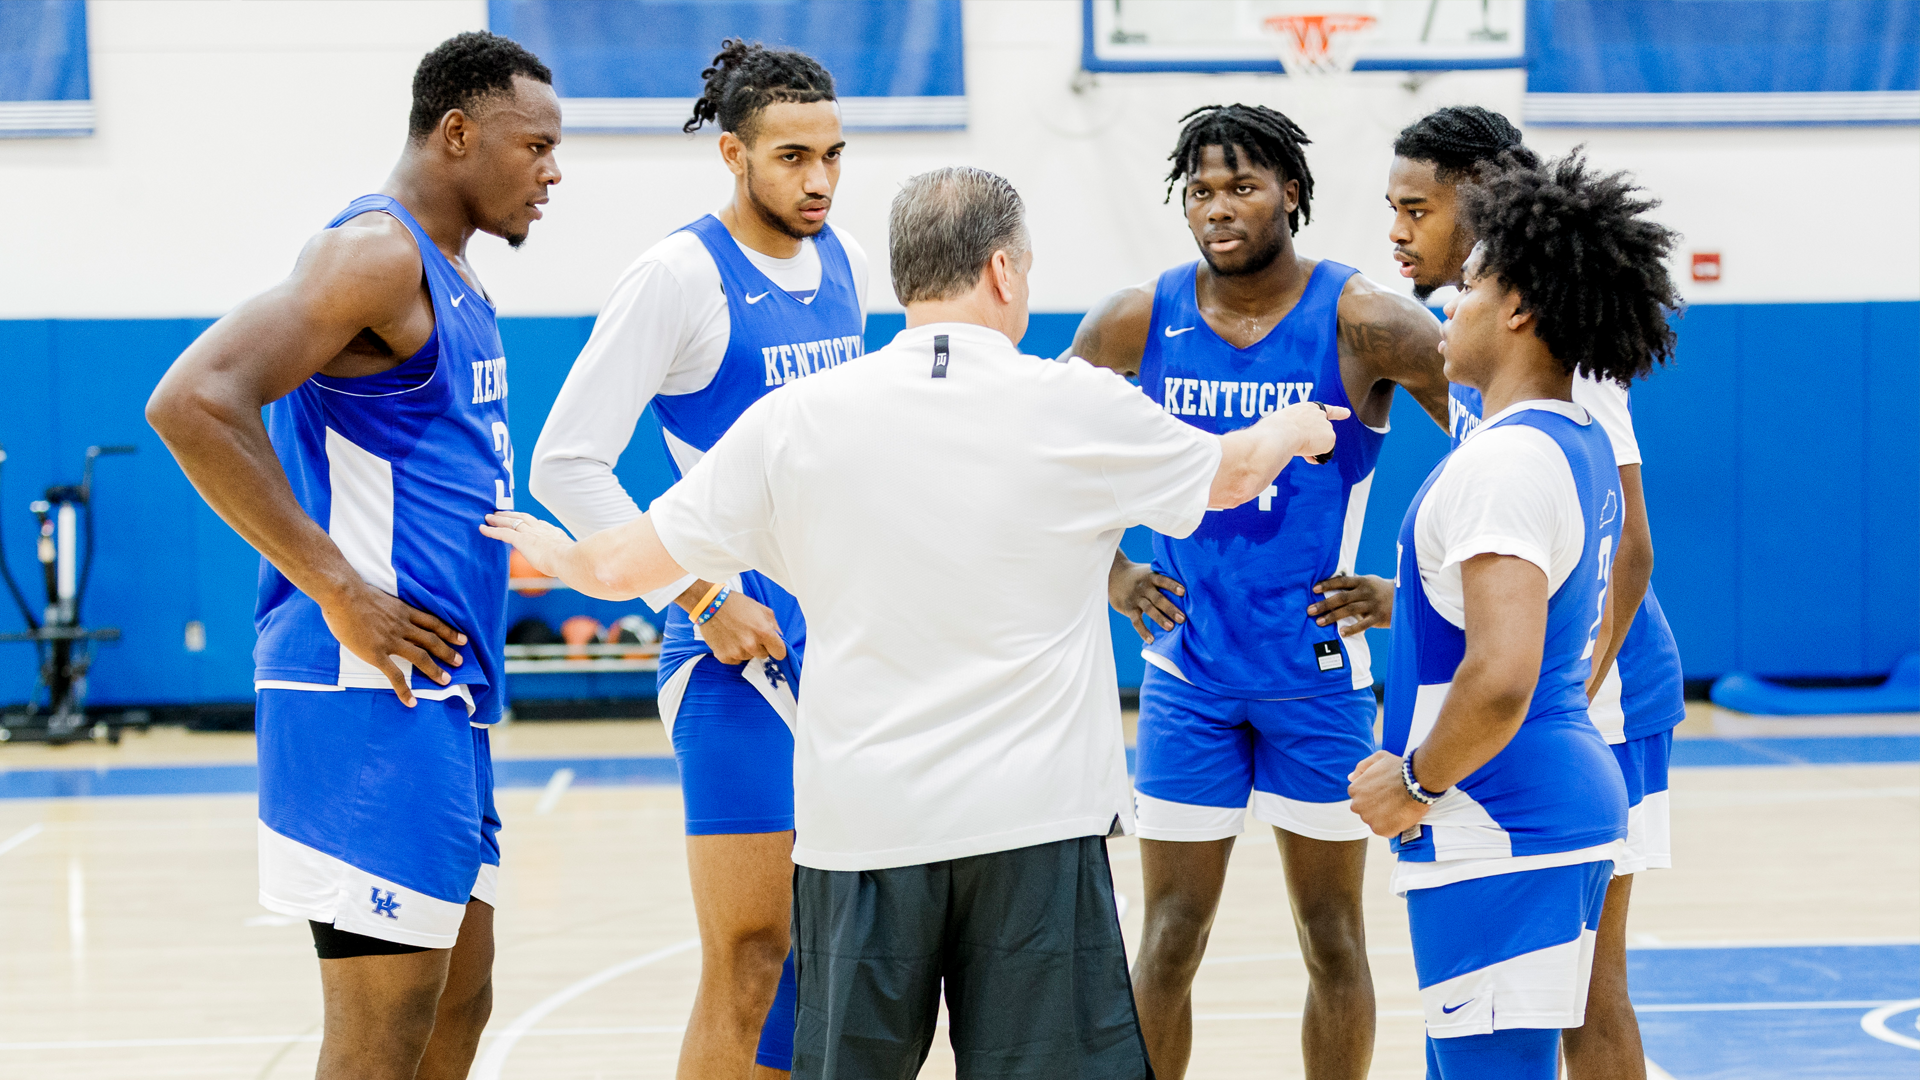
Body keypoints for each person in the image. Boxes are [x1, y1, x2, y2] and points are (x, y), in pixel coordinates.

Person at [486, 166, 1345, 1080]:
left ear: (901, 280)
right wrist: (1298, 426)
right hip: (1035, 833)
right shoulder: (1076, 407)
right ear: (1005, 271)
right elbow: (1230, 475)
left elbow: (619, 566)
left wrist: (557, 550)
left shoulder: (792, 420)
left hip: (858, 835)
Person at [145, 32, 559, 1080]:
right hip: (365, 688)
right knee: (379, 1040)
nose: (553, 172)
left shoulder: (455, 276)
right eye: (535, 146)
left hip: (440, 689)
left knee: (461, 1001)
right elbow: (192, 402)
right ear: (458, 133)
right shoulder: (376, 253)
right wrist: (336, 586)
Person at [1066, 103, 1450, 1080]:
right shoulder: (1138, 318)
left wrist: (1411, 590)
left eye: (1242, 185)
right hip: (1188, 678)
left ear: (1292, 193)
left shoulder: (1364, 317)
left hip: (1313, 679)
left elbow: (1502, 448)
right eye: (1200, 189)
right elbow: (1052, 453)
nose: (1218, 206)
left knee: (1331, 937)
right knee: (1169, 937)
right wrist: (1109, 566)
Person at [1318, 105, 1688, 1078]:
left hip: (1533, 767)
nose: (1443, 299)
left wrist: (1434, 768)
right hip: (1542, 757)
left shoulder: (1540, 424)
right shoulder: (1536, 428)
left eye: (1418, 209)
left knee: (1570, 1016)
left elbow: (1537, 643)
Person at [526, 40, 864, 1080]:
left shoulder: (839, 258)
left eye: (834, 155)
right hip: (733, 658)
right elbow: (564, 462)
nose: (817, 180)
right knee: (751, 956)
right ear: (733, 153)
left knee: (832, 961)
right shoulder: (678, 274)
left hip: (840, 643)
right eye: (792, 155)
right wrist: (701, 592)